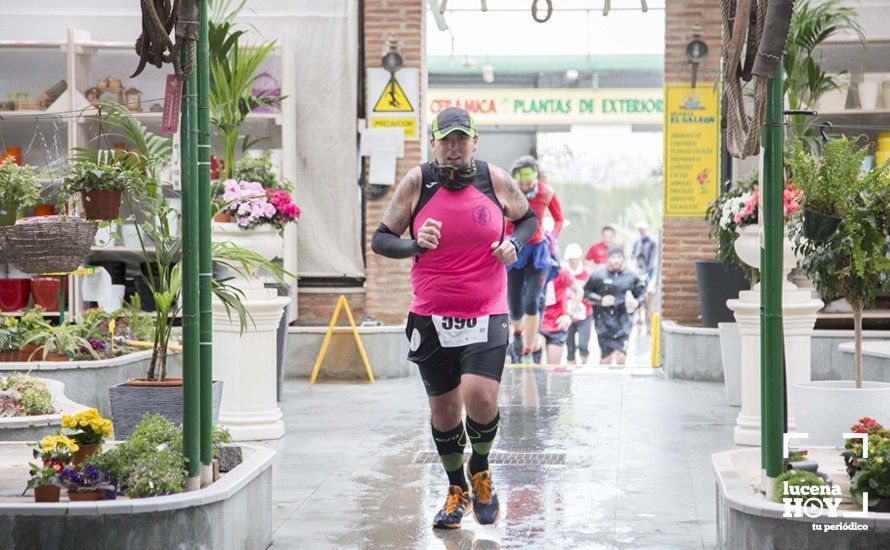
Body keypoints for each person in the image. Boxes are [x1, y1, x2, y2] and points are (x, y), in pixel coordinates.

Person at [370, 106, 538, 529]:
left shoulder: (495, 179)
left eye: (462, 138)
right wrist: (415, 246)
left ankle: (479, 468)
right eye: (446, 139)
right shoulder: (417, 182)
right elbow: (380, 239)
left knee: (480, 397)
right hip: (430, 316)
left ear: (474, 142)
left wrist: (514, 245)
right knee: (444, 412)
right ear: (433, 143)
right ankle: (455, 489)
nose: (454, 146)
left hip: (486, 312)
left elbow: (528, 220)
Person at [504, 156, 564, 363]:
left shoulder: (547, 192)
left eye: (528, 182)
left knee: (532, 301)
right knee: (514, 304)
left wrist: (553, 236)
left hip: (538, 251)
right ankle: (518, 332)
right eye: (520, 182)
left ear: (535, 178)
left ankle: (528, 350)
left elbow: (559, 219)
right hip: (514, 248)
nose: (524, 186)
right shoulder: (507, 191)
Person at [584, 246, 647, 366]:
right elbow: (586, 293)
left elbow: (642, 295)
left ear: (624, 259)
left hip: (623, 324)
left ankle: (620, 383)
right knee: (606, 360)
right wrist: (600, 300)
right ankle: (605, 383)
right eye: (613, 257)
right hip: (603, 324)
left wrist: (636, 302)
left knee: (621, 358)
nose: (616, 260)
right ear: (608, 259)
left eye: (619, 257)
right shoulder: (598, 275)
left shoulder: (632, 277)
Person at [536, 262, 583, 366]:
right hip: (537, 324)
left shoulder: (561, 271)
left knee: (552, 369)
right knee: (536, 365)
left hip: (557, 325)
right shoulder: (533, 269)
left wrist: (569, 315)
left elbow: (579, 291)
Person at [563, 243, 594, 365]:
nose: (574, 261)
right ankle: (571, 374)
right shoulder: (563, 273)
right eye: (571, 259)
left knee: (583, 346)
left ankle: (584, 365)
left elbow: (594, 291)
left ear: (580, 258)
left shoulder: (588, 274)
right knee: (570, 349)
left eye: (576, 258)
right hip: (568, 315)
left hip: (585, 315)